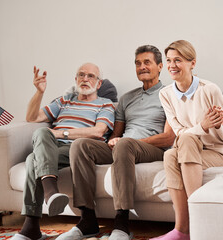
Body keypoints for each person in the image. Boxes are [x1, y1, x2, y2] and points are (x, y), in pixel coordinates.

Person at [56, 45, 175, 240]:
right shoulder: (127, 98)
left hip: (153, 148)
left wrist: (127, 141)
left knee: (124, 144)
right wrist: (112, 141)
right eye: (138, 63)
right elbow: (115, 134)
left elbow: (169, 137)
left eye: (147, 62)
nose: (142, 67)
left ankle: (121, 223)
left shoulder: (169, 94)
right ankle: (87, 220)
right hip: (124, 147)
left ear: (160, 66)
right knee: (81, 145)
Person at [12, 63, 115, 240]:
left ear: (99, 84)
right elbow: (32, 117)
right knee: (38, 140)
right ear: (75, 79)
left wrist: (60, 133)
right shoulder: (64, 100)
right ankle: (48, 199)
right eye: (81, 75)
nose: (85, 79)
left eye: (91, 76)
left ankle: (33, 224)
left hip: (78, 147)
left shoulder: (105, 104)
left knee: (32, 160)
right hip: (52, 146)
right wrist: (39, 92)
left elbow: (98, 131)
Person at [151, 40, 223, 240]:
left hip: (220, 152)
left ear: (192, 63)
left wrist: (217, 125)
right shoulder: (165, 94)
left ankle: (190, 227)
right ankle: (183, 229)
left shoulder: (210, 90)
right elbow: (178, 132)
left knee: (178, 149)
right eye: (169, 60)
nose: (172, 66)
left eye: (178, 60)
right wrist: (204, 126)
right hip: (189, 148)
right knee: (173, 153)